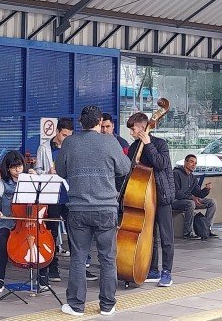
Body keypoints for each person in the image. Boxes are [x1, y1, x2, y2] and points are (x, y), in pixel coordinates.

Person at [55, 105, 130, 317]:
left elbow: (61, 170)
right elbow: (124, 168)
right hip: (106, 208)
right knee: (107, 257)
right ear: (99, 122)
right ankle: (107, 305)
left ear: (80, 123)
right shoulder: (110, 141)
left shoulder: (70, 142)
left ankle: (76, 306)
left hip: (78, 209)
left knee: (78, 256)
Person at [0, 150, 50, 294]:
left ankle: (42, 278)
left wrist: (37, 179)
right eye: (13, 168)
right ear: (7, 168)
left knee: (41, 241)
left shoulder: (31, 179)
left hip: (31, 222)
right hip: (9, 224)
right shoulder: (3, 183)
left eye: (20, 167)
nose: (18, 170)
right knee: (2, 240)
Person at [126, 112, 175, 287]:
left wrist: (148, 145)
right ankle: (152, 268)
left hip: (161, 195)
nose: (131, 133)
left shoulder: (160, 144)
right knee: (149, 235)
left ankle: (167, 271)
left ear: (142, 127)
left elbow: (161, 164)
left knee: (166, 235)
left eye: (133, 129)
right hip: (143, 197)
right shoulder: (133, 148)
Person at [35, 117, 74, 282]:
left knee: (75, 231)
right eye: (64, 135)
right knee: (51, 231)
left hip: (69, 194)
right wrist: (47, 173)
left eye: (69, 135)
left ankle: (79, 267)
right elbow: (37, 170)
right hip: (52, 195)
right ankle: (52, 266)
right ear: (57, 132)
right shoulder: (44, 148)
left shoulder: (72, 147)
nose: (66, 138)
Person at [173, 155, 217, 239]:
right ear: (185, 162)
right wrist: (192, 198)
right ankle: (187, 232)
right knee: (191, 203)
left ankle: (207, 229)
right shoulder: (176, 174)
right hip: (176, 201)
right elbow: (176, 193)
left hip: (189, 200)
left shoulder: (192, 177)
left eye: (195, 163)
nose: (194, 165)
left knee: (212, 202)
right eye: (191, 162)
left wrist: (206, 189)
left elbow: (198, 193)